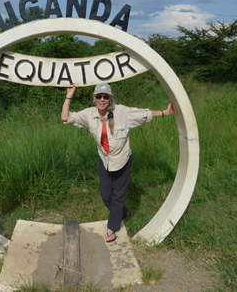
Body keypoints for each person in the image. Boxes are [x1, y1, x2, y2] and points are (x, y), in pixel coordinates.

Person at [61, 83, 174, 242]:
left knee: (118, 196)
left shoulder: (122, 112)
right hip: (105, 160)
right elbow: (65, 117)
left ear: (110, 98)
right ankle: (123, 213)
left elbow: (144, 114)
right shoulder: (89, 114)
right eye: (99, 96)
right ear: (94, 98)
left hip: (123, 160)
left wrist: (165, 112)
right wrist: (69, 95)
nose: (102, 99)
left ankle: (111, 228)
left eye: (105, 97)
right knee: (106, 196)